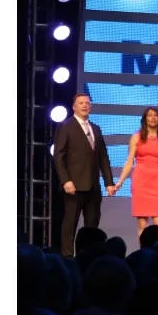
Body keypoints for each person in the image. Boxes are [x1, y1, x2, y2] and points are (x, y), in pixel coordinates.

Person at [53, 93, 116, 258]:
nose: (85, 105)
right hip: (73, 185)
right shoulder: (66, 126)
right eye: (81, 103)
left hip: (93, 186)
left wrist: (109, 182)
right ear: (74, 106)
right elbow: (58, 156)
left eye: (87, 103)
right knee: (70, 223)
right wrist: (65, 180)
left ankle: (88, 256)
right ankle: (68, 257)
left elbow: (103, 157)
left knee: (92, 225)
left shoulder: (96, 128)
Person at [115, 106, 158, 240]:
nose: (153, 118)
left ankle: (157, 251)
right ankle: (144, 251)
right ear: (145, 119)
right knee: (142, 224)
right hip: (141, 181)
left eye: (155, 115)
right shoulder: (136, 137)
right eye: (149, 115)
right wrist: (120, 182)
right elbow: (129, 162)